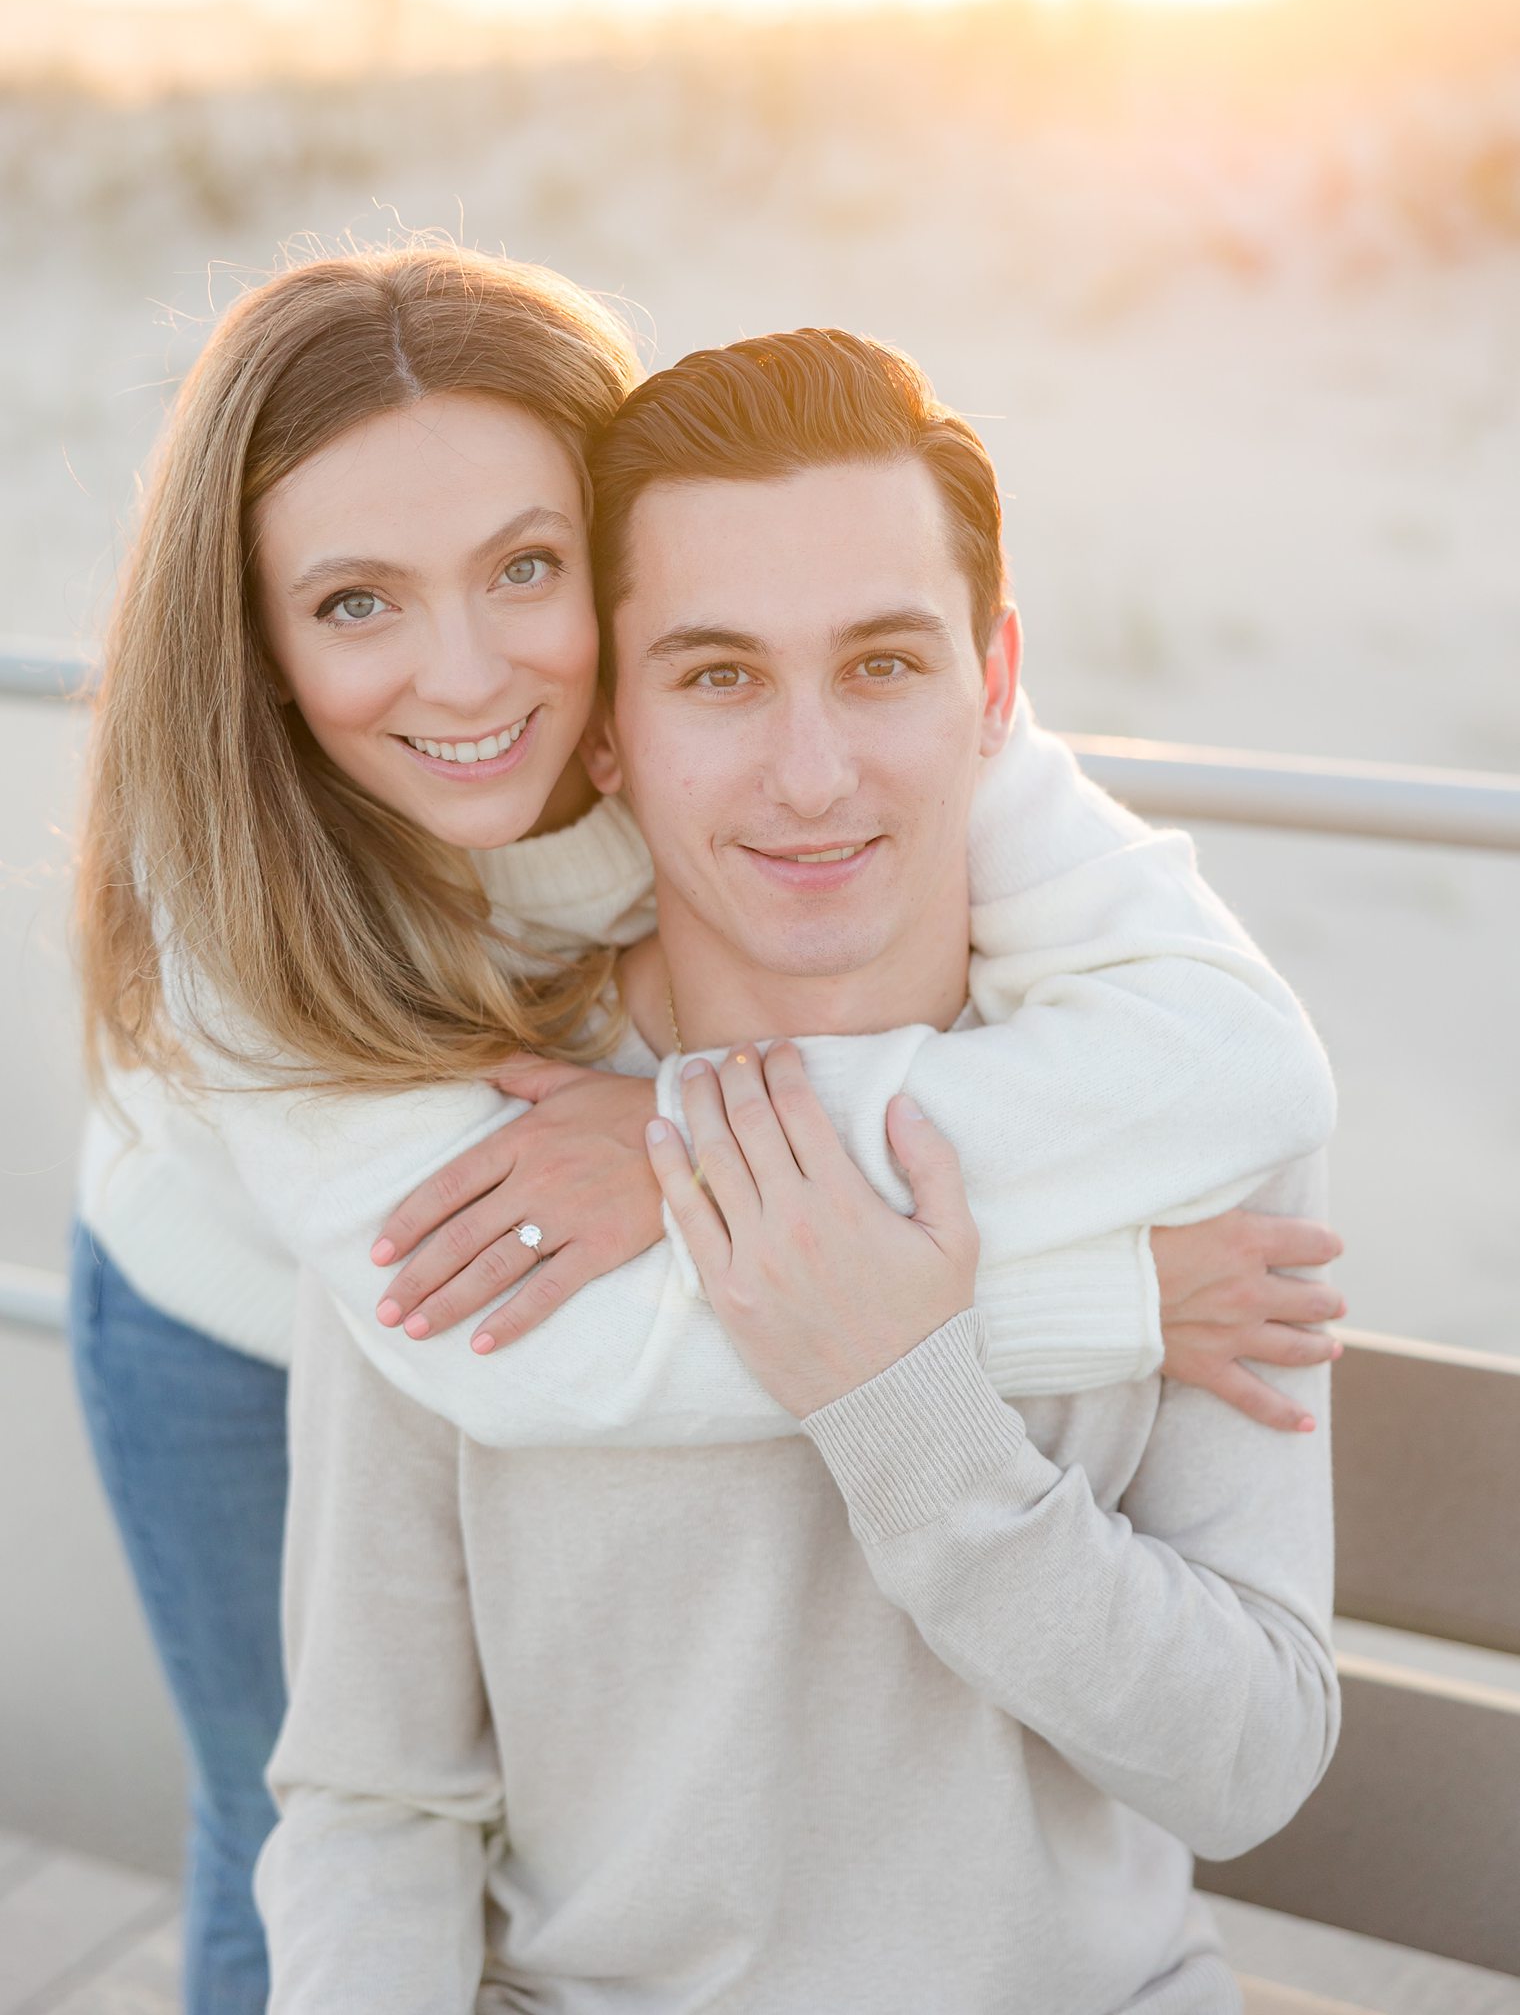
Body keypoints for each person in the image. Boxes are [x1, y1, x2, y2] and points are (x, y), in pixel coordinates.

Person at [72, 251, 1336, 2009]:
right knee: (252, 1822)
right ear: (620, 729)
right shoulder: (455, 1129)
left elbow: (1249, 1763)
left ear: (993, 686)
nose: (810, 773)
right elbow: (374, 1800)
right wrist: (1049, 1314)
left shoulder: (1146, 1100)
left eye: (884, 663)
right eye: (720, 677)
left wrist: (715, 1179)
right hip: (207, 1295)